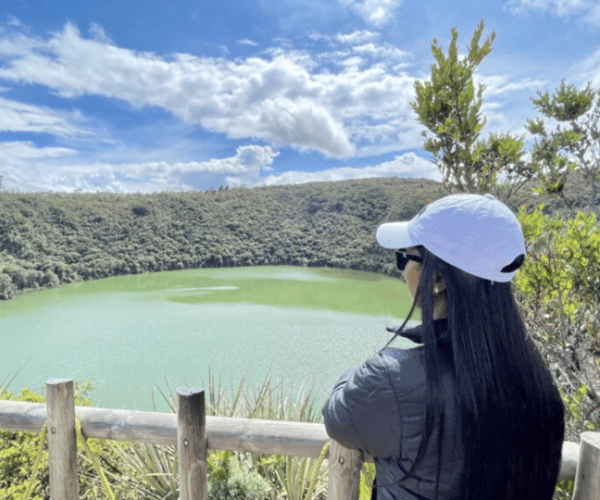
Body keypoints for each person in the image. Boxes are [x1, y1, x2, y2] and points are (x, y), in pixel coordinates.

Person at [322, 193, 565, 500]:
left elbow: (338, 415)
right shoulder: (539, 386)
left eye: (403, 257)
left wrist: (357, 371)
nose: (400, 270)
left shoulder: (390, 380)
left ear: (437, 279)